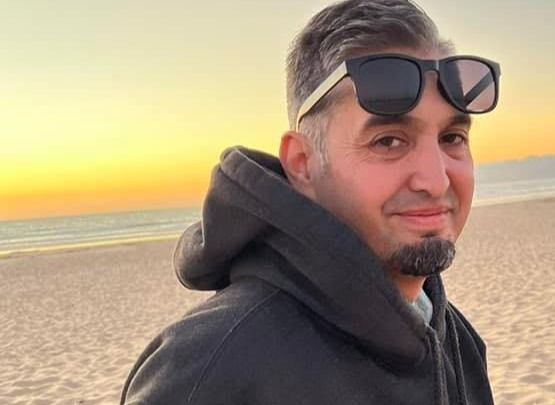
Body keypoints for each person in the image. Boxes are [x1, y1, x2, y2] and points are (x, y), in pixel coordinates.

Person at [121, 0, 500, 403]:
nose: (436, 179)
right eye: (388, 141)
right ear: (303, 164)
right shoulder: (212, 369)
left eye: (452, 138)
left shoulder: (456, 340)